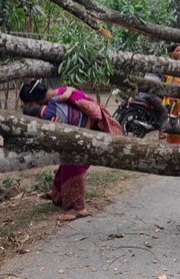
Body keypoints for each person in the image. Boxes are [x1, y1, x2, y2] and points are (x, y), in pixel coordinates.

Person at [19, 81, 124, 221]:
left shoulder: (64, 97)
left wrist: (80, 134)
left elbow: (94, 112)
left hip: (92, 132)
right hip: (79, 133)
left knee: (74, 164)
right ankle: (59, 195)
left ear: (35, 101)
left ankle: (78, 208)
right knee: (65, 163)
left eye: (28, 104)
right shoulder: (59, 96)